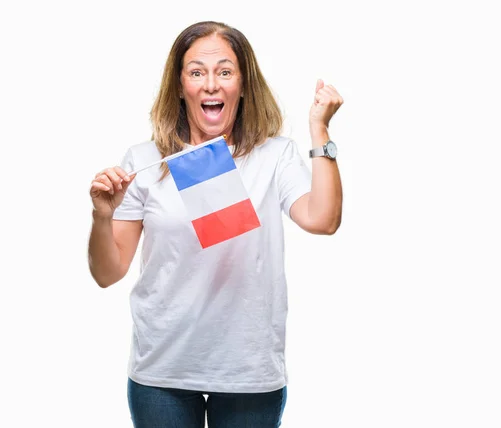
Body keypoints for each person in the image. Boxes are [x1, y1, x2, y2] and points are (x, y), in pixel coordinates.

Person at [88, 20, 343, 428]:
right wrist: (103, 216)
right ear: (179, 85)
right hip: (163, 370)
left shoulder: (274, 155)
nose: (210, 84)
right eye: (196, 72)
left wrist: (320, 130)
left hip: (248, 369)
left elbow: (323, 219)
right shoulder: (143, 161)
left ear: (243, 84)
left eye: (224, 71)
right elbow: (107, 272)